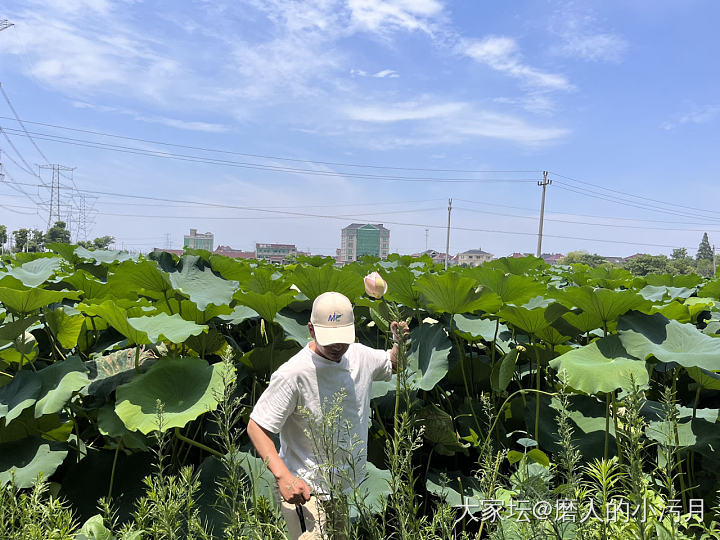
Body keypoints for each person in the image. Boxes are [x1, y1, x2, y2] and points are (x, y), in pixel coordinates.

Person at [247, 291, 406, 539]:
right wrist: (283, 476)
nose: (337, 346)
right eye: (330, 338)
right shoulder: (294, 373)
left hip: (341, 489)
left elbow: (393, 364)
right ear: (311, 329)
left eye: (343, 338)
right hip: (304, 489)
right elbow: (257, 427)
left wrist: (400, 344)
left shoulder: (359, 356)